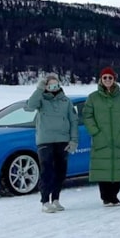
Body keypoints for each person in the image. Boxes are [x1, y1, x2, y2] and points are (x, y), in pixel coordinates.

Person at [25, 73, 78, 213]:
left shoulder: (65, 101)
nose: (54, 88)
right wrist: (39, 89)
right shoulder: (41, 99)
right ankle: (44, 201)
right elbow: (30, 106)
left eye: (56, 85)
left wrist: (73, 140)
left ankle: (56, 199)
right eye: (50, 85)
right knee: (46, 170)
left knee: (60, 170)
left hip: (62, 140)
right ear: (46, 86)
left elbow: (73, 121)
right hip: (45, 140)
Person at [83, 67, 120, 206]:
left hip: (118, 137)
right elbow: (87, 116)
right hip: (101, 138)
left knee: (116, 167)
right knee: (103, 167)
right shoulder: (93, 97)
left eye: (110, 78)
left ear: (114, 80)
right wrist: (95, 132)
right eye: (105, 78)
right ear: (101, 80)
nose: (107, 80)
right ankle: (106, 196)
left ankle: (115, 195)